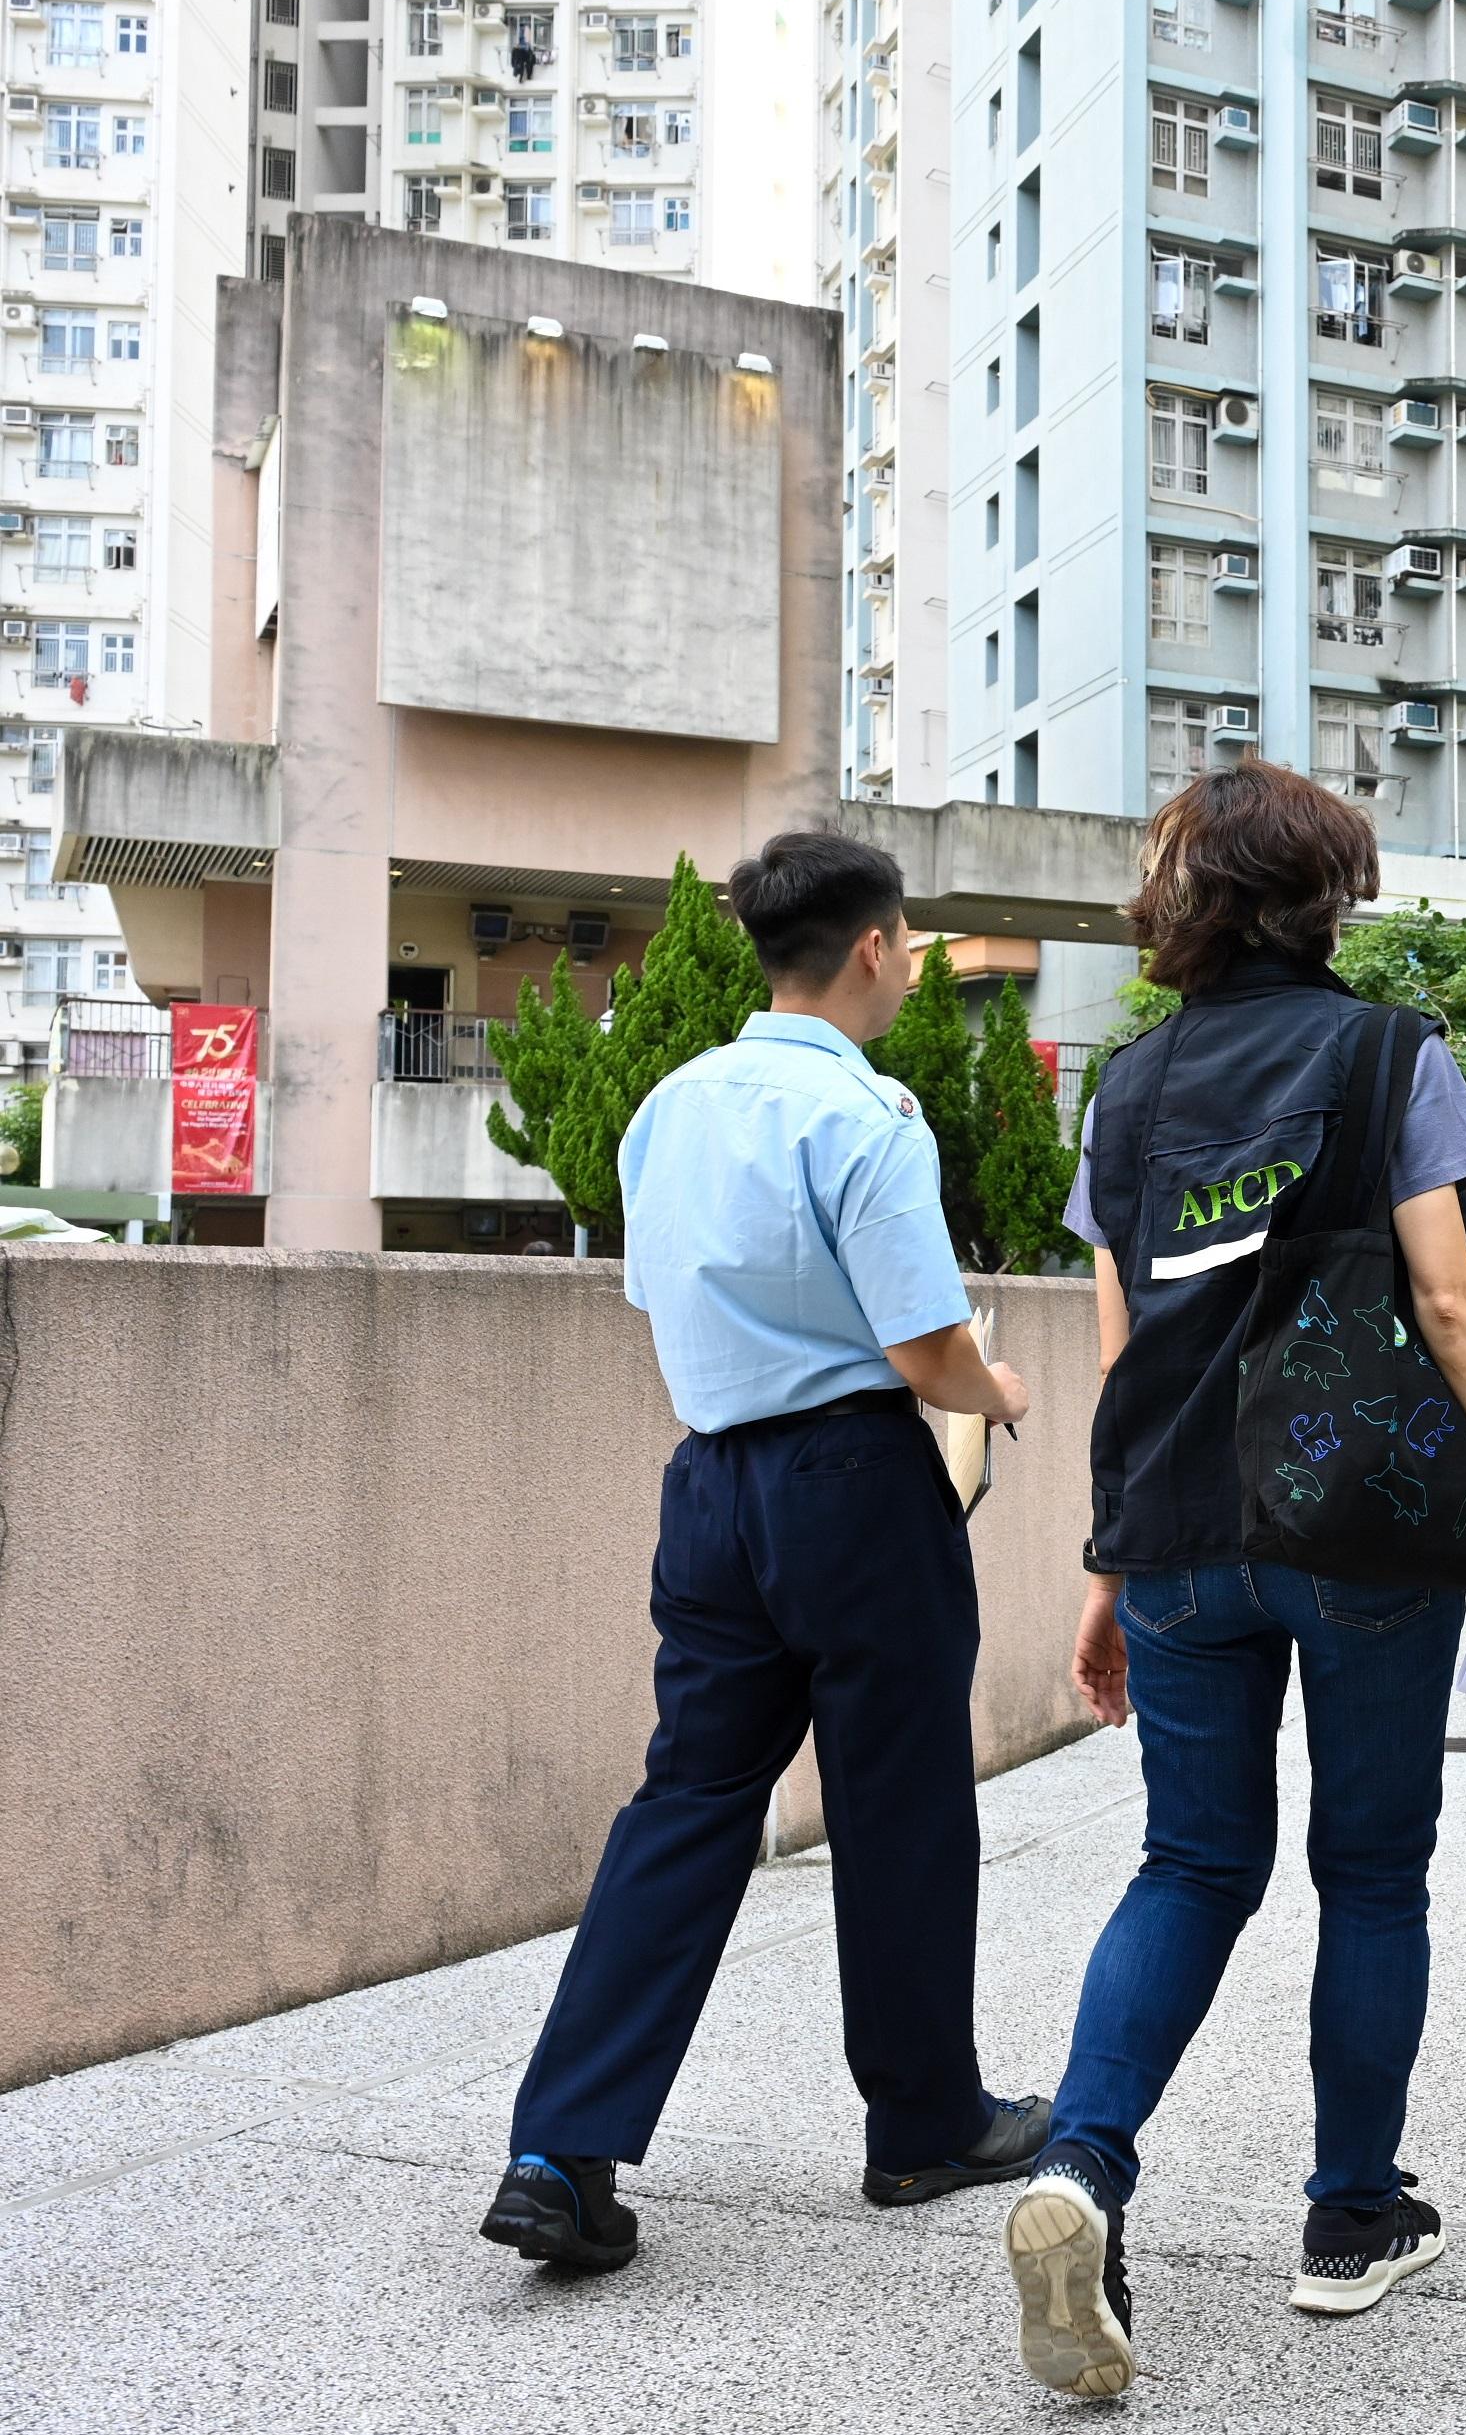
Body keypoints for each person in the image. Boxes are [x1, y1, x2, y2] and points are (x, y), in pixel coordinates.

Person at [1000, 765, 1466, 2400]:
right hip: (1360, 1525)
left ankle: (1080, 2171)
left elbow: (1122, 1344)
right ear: (1326, 895)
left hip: (1180, 1529)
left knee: (1187, 1863)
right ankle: (1349, 2217)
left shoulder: (1122, 1093)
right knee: (1373, 1873)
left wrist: (1107, 1560)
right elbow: (1451, 1301)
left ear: (1182, 898)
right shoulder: (1386, 1050)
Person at [480, 832, 1050, 2273]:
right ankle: (923, 2124)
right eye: (910, 944)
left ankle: (562, 2147)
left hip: (712, 1487)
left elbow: (656, 1299)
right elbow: (923, 1346)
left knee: (685, 1805)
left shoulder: (667, 1108)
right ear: (873, 948)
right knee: (900, 1801)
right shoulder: (870, 1120)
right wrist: (1004, 1390)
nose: (912, 964)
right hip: (857, 1484)